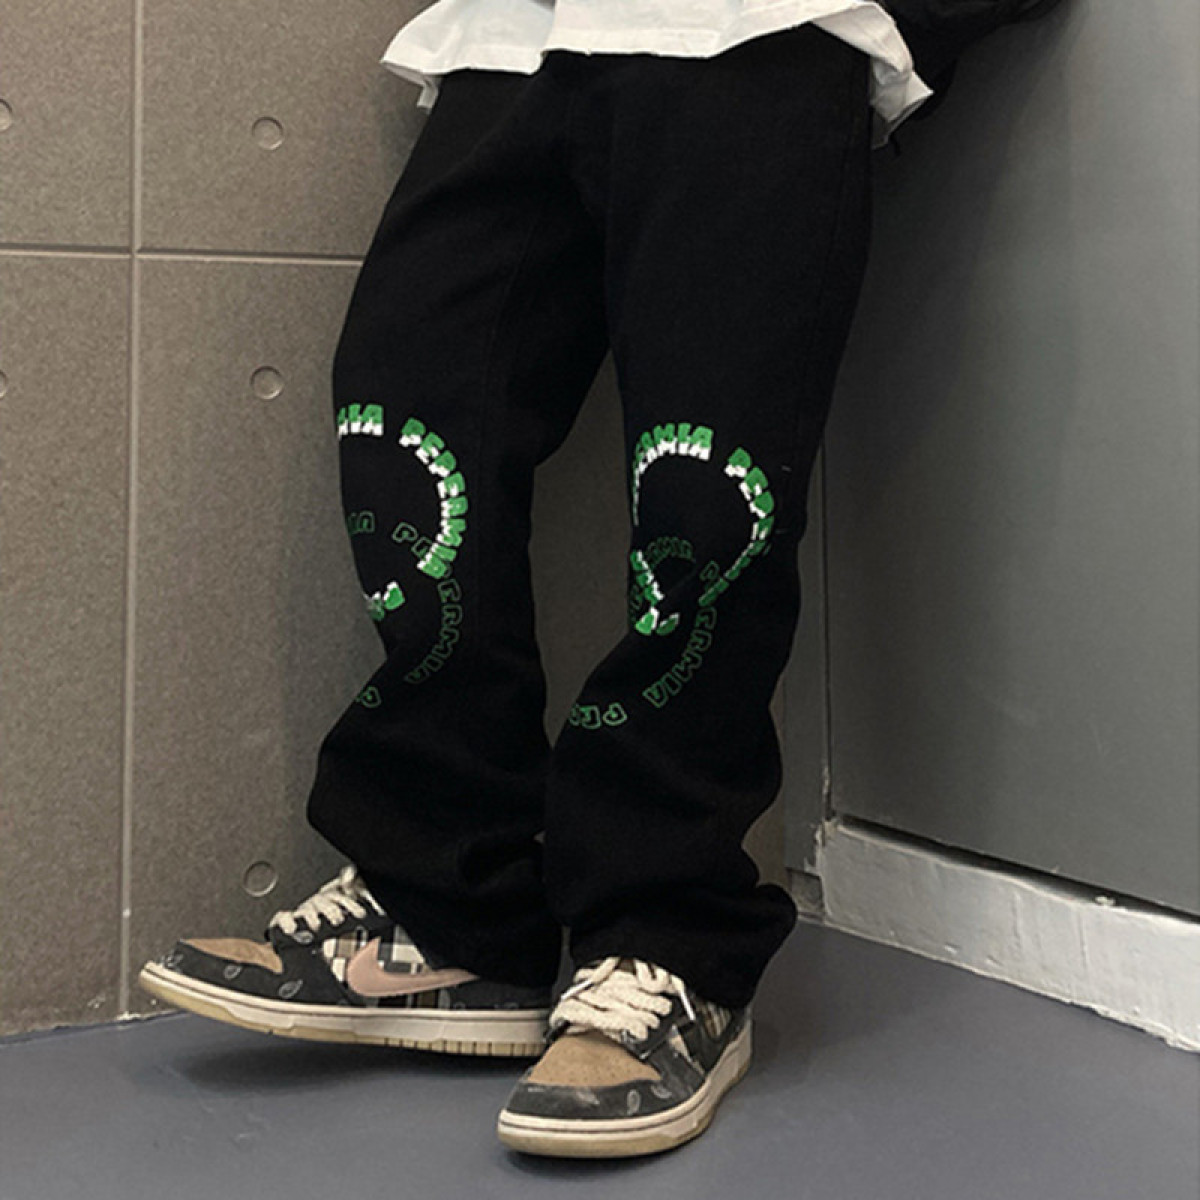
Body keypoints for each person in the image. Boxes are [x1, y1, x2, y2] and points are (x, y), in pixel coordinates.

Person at [139, 0, 1063, 1159]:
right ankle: (450, 906)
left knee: (706, 496)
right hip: (515, 41)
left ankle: (669, 941)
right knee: (406, 425)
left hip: (764, 36)